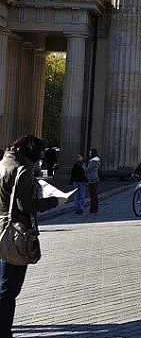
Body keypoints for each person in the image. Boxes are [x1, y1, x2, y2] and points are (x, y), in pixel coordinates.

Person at [0, 135, 67, 337]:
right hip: (15, 232)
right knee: (8, 288)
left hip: (1, 225)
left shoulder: (3, 163)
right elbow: (28, 205)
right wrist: (55, 201)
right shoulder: (22, 170)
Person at [84, 149, 100, 214]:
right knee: (94, 195)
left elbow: (88, 170)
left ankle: (93, 209)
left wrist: (83, 166)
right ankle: (94, 209)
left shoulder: (93, 161)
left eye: (90, 153)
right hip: (94, 178)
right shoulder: (96, 161)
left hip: (92, 179)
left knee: (93, 195)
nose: (89, 154)